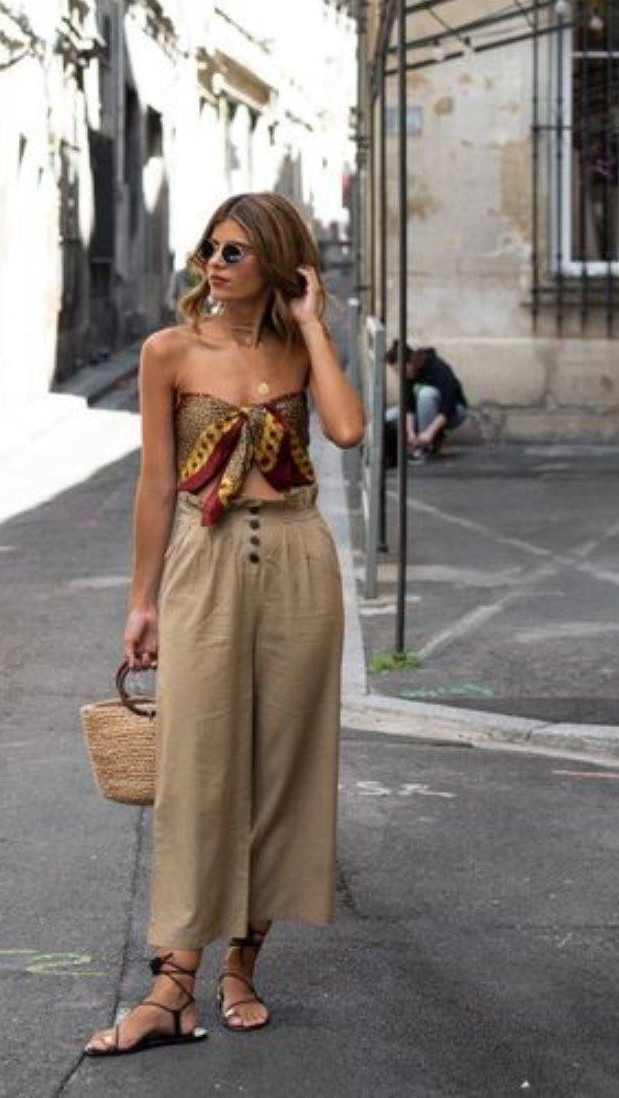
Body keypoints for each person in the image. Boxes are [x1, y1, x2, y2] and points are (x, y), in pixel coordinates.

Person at [84, 192, 366, 1058]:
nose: (215, 261)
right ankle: (173, 985)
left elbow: (349, 431)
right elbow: (157, 485)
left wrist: (313, 324)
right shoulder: (169, 352)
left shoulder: (294, 349)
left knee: (284, 768)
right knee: (197, 766)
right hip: (203, 565)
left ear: (276, 264)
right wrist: (142, 601)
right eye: (211, 247)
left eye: (237, 251)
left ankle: (243, 963)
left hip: (298, 560)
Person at [384, 340, 469, 464]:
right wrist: (411, 432)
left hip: (453, 412)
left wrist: (429, 433)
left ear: (410, 363)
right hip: (424, 412)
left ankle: (425, 448)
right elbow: (408, 406)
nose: (399, 374)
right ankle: (416, 444)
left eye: (401, 370)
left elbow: (448, 405)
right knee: (389, 417)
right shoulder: (407, 376)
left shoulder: (438, 368)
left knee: (426, 394)